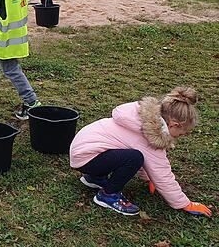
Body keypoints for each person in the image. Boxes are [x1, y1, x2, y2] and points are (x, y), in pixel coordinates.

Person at [70, 87, 212, 218]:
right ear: (174, 125)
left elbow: (147, 158)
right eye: (181, 133)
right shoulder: (150, 135)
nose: (179, 136)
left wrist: (149, 178)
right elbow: (161, 172)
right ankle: (108, 195)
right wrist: (185, 203)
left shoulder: (140, 120)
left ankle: (95, 178)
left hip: (84, 152)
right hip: (87, 157)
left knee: (132, 155)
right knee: (133, 158)